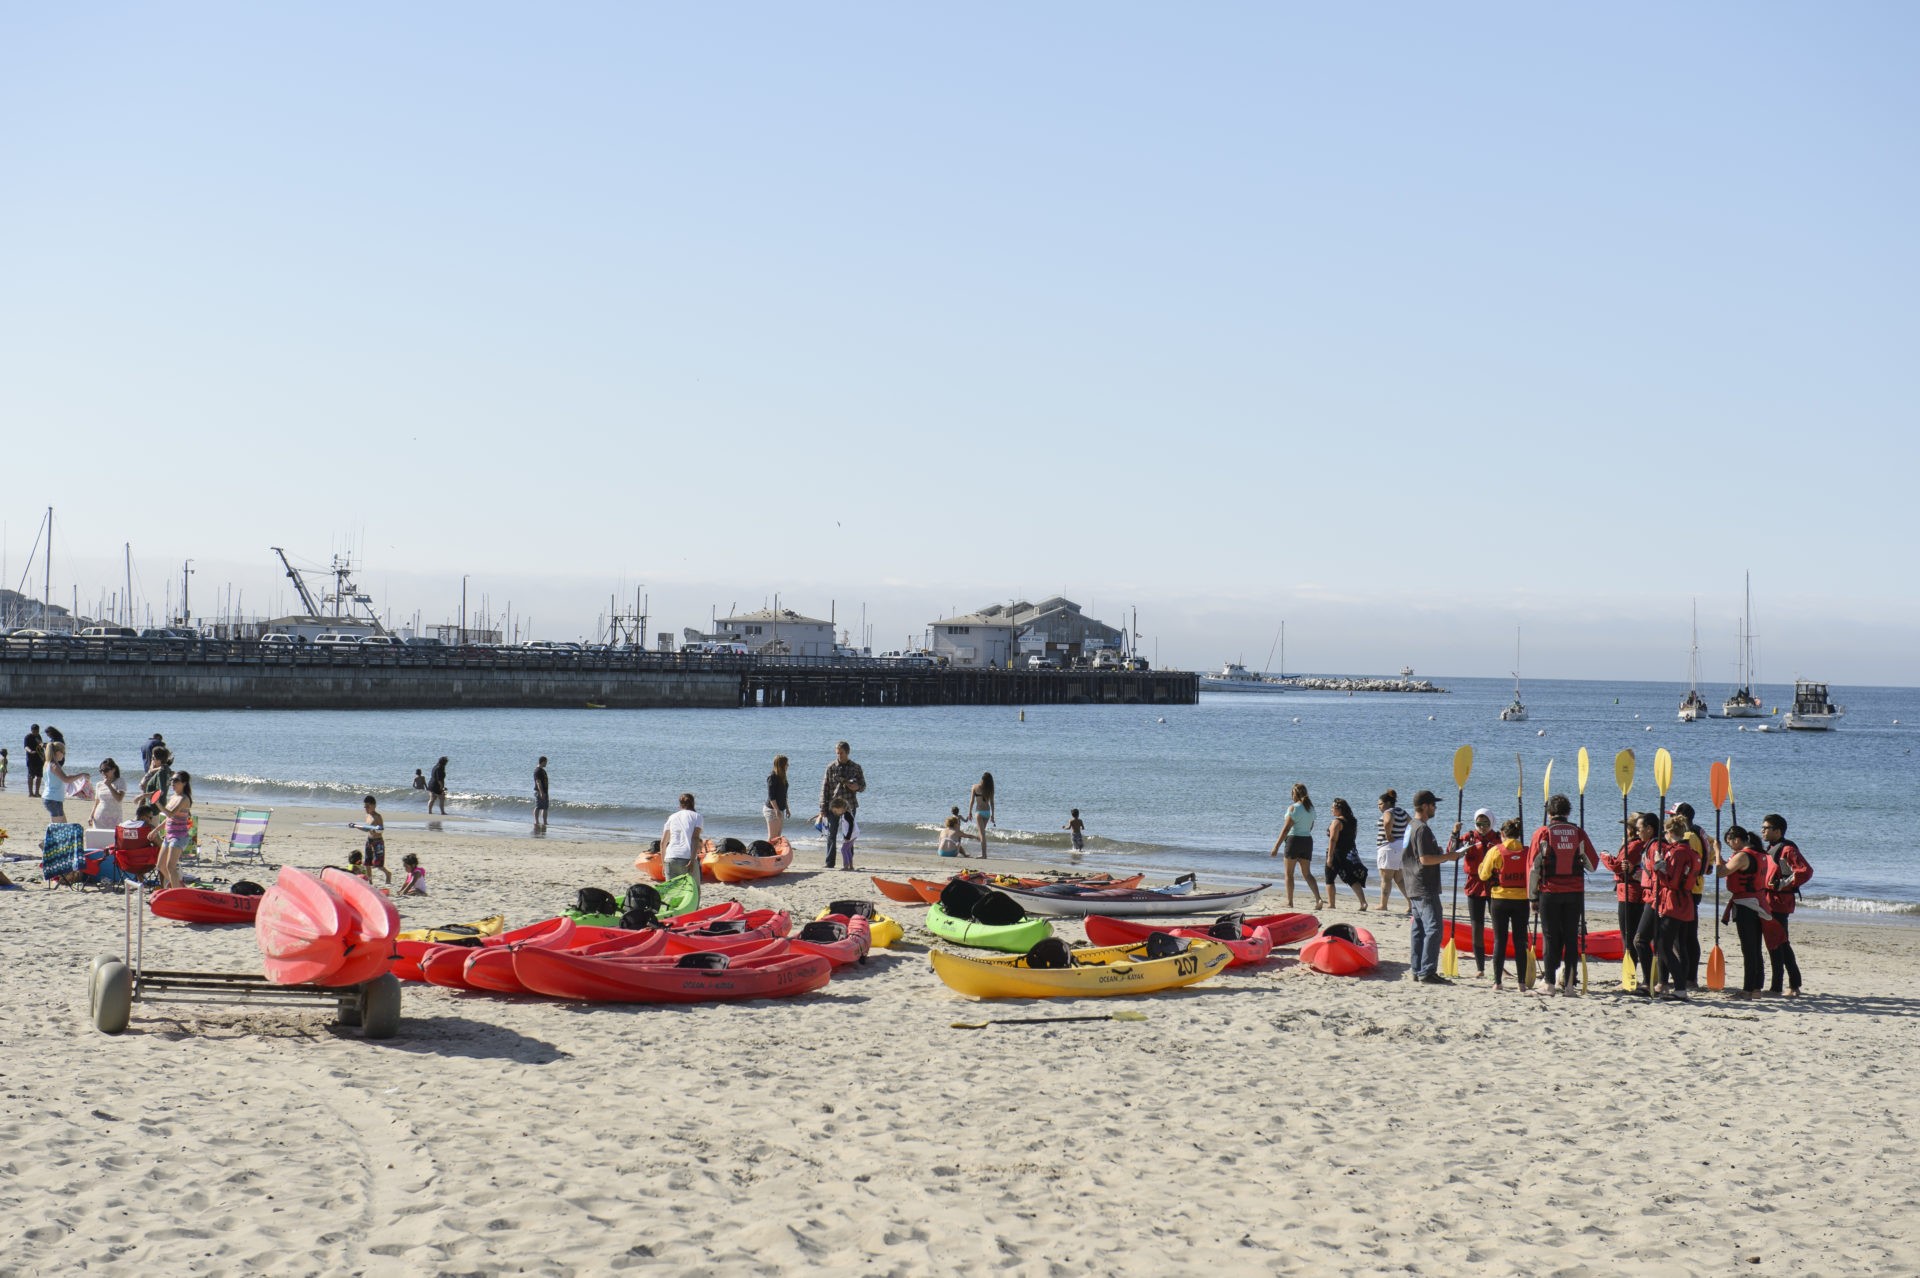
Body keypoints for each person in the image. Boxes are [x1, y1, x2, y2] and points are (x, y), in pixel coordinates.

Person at [1527, 794, 1599, 994]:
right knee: (1570, 937)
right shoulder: (1579, 833)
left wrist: (1532, 896)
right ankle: (1569, 985)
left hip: (1550, 892)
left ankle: (1549, 983)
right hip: (1574, 893)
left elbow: (1533, 868)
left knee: (1550, 937)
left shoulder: (1543, 833)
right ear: (1568, 812)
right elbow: (1593, 865)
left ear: (1549, 813)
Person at [1402, 790, 1459, 984]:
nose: (1435, 808)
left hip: (1412, 883)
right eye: (1433, 805)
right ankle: (1427, 970)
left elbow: (1418, 855)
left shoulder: (1410, 826)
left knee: (1418, 928)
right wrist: (1448, 857)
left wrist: (1440, 853)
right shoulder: (1421, 829)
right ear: (1425, 806)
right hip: (1423, 885)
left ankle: (1417, 969)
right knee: (1434, 927)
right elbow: (1425, 859)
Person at [1715, 825, 1772, 997]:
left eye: (1729, 843)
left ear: (1737, 840)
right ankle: (1756, 988)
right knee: (1755, 947)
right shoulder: (1760, 854)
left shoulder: (1743, 856)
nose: (1729, 846)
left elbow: (1721, 872)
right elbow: (1734, 869)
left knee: (1748, 948)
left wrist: (1717, 852)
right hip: (1759, 903)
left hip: (1746, 905)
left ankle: (1748, 989)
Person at [1648, 814, 1700, 999]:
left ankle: (1680, 988)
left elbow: (1672, 881)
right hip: (1682, 902)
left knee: (1663, 945)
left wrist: (1658, 867)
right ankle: (1678, 986)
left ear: (1669, 832)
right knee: (1668, 944)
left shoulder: (1678, 852)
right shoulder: (1689, 850)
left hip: (1674, 903)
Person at [1477, 818, 1532, 990]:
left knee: (1500, 941)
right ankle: (1521, 983)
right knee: (1520, 941)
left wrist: (1480, 867)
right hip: (1521, 901)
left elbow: (1483, 876)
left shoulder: (1495, 851)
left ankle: (1497, 982)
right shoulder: (1527, 851)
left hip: (1499, 900)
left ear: (1502, 834)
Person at [1760, 813, 1811, 996]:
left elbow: (1805, 871)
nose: (1762, 831)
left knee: (1778, 943)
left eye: (1766, 828)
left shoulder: (1787, 849)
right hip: (1769, 901)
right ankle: (1791, 984)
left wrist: (1783, 884)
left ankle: (1779, 987)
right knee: (1779, 943)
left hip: (1779, 903)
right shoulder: (1773, 847)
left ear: (1777, 831)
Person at [1447, 808, 1499, 975]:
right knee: (1477, 927)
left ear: (1491, 823)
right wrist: (1455, 833)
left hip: (1494, 886)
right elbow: (1452, 852)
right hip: (1474, 886)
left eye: (1486, 824)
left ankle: (1498, 965)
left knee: (1498, 926)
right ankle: (1480, 968)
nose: (1482, 827)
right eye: (1479, 824)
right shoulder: (1469, 838)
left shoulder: (1498, 839)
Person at [1603, 813, 1653, 970]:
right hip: (1635, 893)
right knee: (1633, 935)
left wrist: (1604, 856)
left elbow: (1617, 866)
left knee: (1628, 936)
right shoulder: (1641, 844)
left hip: (1629, 894)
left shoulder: (1634, 846)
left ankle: (1630, 971)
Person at [1670, 802, 1710, 988]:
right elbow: (1713, 843)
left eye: (1673, 815)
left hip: (1688, 891)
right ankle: (1689, 976)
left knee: (1683, 937)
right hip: (1696, 888)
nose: (1671, 819)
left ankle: (1688, 977)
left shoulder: (1688, 836)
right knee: (1688, 935)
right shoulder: (1699, 832)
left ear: (1681, 817)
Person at [1268, 783, 1322, 910]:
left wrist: (1276, 846)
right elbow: (1311, 827)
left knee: (1289, 874)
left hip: (1294, 841)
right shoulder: (1311, 809)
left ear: (1295, 794)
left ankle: (1289, 902)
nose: (1291, 796)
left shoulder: (1293, 808)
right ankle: (1318, 898)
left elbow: (1286, 829)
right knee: (1307, 873)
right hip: (1307, 840)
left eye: (1292, 794)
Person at [818, 742, 865, 870]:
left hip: (849, 805)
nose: (839, 755)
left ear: (847, 752)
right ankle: (829, 863)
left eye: (841, 753)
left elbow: (863, 786)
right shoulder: (831, 767)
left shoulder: (856, 767)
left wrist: (857, 787)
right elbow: (825, 788)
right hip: (833, 805)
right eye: (837, 753)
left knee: (849, 835)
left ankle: (849, 864)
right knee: (831, 834)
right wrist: (822, 807)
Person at [1323, 798, 1368, 911]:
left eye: (1333, 808)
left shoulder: (1337, 822)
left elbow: (1333, 840)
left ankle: (1331, 904)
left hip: (1336, 853)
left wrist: (1329, 857)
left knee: (1329, 878)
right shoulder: (1353, 821)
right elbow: (1354, 836)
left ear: (1339, 809)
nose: (1331, 810)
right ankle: (1363, 902)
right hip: (1349, 853)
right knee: (1351, 879)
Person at [661, 793, 704, 900]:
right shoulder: (697, 816)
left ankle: (672, 914)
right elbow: (695, 838)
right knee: (694, 891)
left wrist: (663, 863)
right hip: (687, 858)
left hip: (670, 858)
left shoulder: (672, 817)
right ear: (693, 803)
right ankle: (692, 914)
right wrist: (693, 859)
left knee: (671, 892)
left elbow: (663, 843)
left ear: (680, 804)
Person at [157, 771, 194, 891]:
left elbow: (170, 813)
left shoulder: (184, 798)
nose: (172, 783)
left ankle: (176, 891)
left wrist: (157, 802)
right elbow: (168, 818)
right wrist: (155, 830)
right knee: (160, 866)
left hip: (179, 836)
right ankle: (178, 886)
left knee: (170, 866)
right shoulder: (173, 797)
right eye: (171, 780)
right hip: (169, 835)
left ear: (184, 783)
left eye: (176, 780)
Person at [1375, 790, 1411, 913]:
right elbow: (1412, 824)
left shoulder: (1388, 812)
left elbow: (1388, 821)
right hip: (1400, 847)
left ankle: (1383, 905)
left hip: (1388, 848)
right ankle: (1411, 904)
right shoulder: (1402, 811)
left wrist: (1388, 834)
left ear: (1388, 803)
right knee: (1399, 879)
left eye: (1380, 804)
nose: (1378, 806)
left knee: (1386, 878)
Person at [43, 741, 90, 822]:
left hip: (52, 798)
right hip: (53, 798)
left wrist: (76, 778)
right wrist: (81, 774)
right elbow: (66, 779)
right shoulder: (54, 765)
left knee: (62, 823)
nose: (64, 755)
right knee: (59, 826)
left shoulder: (48, 764)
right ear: (58, 752)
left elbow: (64, 777)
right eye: (63, 752)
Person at [351, 795, 390, 885]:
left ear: (374, 805)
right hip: (369, 840)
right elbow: (366, 828)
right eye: (365, 807)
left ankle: (388, 874)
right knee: (367, 863)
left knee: (378, 864)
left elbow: (381, 831)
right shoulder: (367, 815)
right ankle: (370, 881)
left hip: (378, 842)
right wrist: (355, 826)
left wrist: (376, 829)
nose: (366, 808)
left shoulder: (378, 817)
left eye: (368, 806)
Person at [90, 759, 127, 831]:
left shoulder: (120, 781)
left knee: (113, 840)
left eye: (106, 770)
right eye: (101, 771)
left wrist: (109, 786)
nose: (103, 773)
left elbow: (119, 798)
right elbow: (97, 802)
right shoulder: (99, 784)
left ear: (113, 769)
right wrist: (91, 815)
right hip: (99, 818)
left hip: (114, 819)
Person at [967, 772, 995, 859]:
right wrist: (993, 816)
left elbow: (972, 801)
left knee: (982, 835)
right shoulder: (990, 789)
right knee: (981, 833)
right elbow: (992, 803)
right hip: (987, 813)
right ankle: (983, 851)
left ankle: (984, 855)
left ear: (982, 779)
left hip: (979, 812)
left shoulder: (975, 787)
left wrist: (969, 812)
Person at [765, 755, 790, 841]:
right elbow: (772, 796)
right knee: (772, 836)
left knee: (778, 835)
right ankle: (767, 853)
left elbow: (784, 794)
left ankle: (775, 852)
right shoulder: (772, 777)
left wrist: (787, 808)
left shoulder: (783, 777)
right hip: (772, 809)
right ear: (781, 765)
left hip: (780, 809)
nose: (788, 766)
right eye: (786, 764)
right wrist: (776, 810)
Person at [831, 799, 859, 870]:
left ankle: (846, 866)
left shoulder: (847, 814)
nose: (835, 812)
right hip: (853, 834)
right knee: (848, 850)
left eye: (836, 810)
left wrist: (848, 836)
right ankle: (851, 866)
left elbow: (851, 825)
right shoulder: (844, 814)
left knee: (843, 850)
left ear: (842, 808)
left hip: (851, 835)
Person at [24, 724, 44, 798]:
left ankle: (37, 792)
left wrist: (44, 757)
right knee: (31, 776)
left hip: (39, 759)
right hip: (31, 760)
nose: (36, 732)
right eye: (34, 731)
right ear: (31, 730)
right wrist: (30, 751)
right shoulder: (28, 737)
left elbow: (41, 745)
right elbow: (26, 747)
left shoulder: (38, 736)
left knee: (39, 776)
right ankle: (30, 793)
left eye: (37, 731)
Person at [533, 757, 550, 830]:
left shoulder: (543, 771)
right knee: (538, 806)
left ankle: (545, 822)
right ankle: (536, 821)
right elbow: (538, 782)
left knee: (545, 807)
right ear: (542, 762)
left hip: (545, 791)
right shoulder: (537, 771)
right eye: (546, 762)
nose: (546, 763)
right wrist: (541, 792)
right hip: (540, 791)